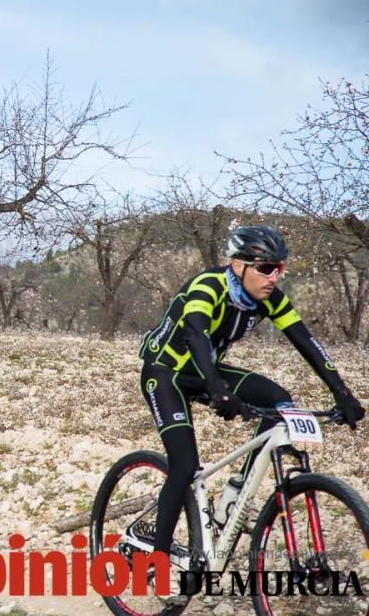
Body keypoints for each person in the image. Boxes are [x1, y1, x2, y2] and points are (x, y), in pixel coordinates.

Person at [137, 225, 364, 567]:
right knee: (184, 466)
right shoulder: (208, 286)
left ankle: (236, 494)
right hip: (166, 374)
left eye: (280, 268)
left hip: (206, 372)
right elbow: (196, 334)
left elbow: (306, 342)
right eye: (266, 268)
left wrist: (342, 392)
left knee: (279, 401)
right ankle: (156, 558)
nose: (274, 277)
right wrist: (217, 388)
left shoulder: (269, 298)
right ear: (237, 265)